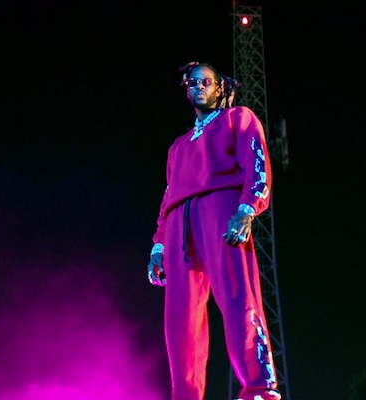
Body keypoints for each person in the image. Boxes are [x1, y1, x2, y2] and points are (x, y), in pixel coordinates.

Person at [146, 61, 281, 400]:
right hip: (179, 226)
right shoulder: (177, 146)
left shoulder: (238, 118)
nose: (198, 87)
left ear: (220, 88)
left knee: (239, 299)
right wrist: (159, 246)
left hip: (221, 212)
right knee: (181, 320)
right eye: (192, 83)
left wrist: (247, 209)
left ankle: (260, 390)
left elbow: (257, 164)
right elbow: (168, 196)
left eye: (205, 81)